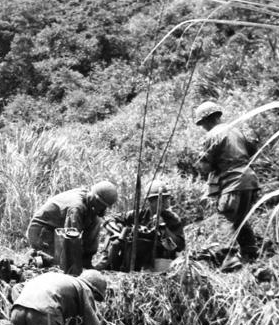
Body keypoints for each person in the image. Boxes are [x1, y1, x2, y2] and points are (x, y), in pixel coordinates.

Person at [193, 101, 260, 260]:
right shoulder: (237, 130)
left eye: (203, 124)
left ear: (207, 120)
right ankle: (250, 253)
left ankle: (228, 259)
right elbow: (252, 151)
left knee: (225, 218)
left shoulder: (211, 135)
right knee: (240, 219)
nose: (204, 128)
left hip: (232, 182)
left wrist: (206, 164)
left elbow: (206, 166)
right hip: (249, 180)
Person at [27, 181, 120, 271]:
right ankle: (37, 255)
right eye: (101, 205)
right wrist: (74, 263)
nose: (103, 208)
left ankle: (85, 263)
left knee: (96, 220)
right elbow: (72, 238)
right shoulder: (76, 207)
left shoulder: (89, 201)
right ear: (95, 198)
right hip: (41, 231)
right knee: (60, 265)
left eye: (105, 206)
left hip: (58, 229)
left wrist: (85, 261)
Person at [95, 179, 186, 271]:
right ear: (150, 201)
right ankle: (106, 261)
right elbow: (109, 219)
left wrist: (163, 228)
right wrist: (118, 232)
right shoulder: (139, 214)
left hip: (156, 260)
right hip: (131, 258)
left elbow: (180, 246)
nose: (164, 204)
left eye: (166, 199)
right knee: (117, 228)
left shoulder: (172, 219)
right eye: (160, 200)